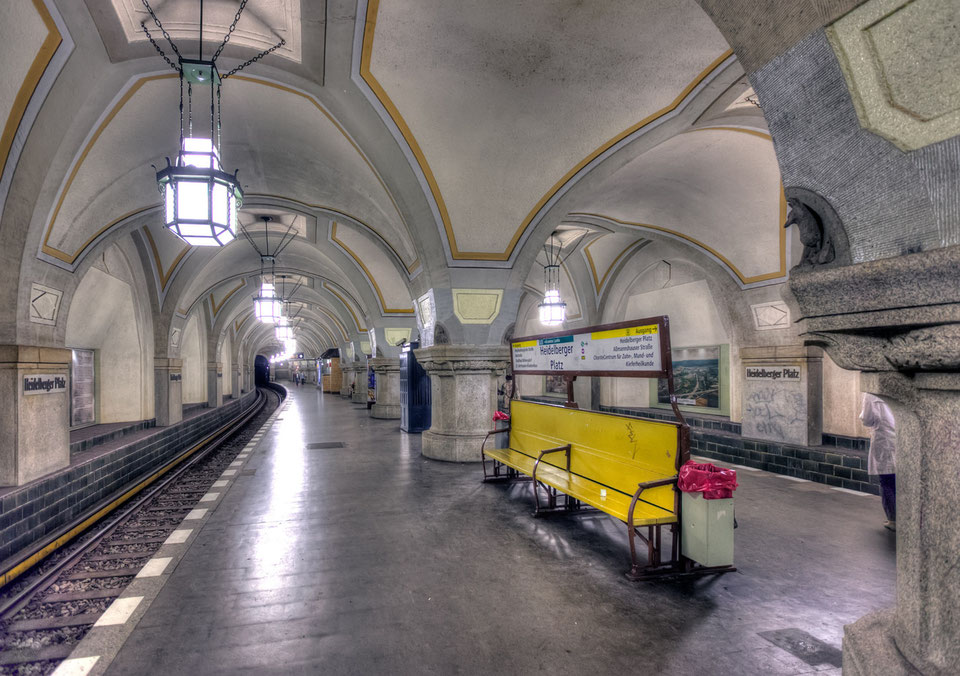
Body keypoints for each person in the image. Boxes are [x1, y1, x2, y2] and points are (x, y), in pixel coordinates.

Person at [860, 393, 897, 531]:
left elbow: (867, 419)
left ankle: (893, 519)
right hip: (904, 437)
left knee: (887, 480)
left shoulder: (871, 393)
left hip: (884, 439)